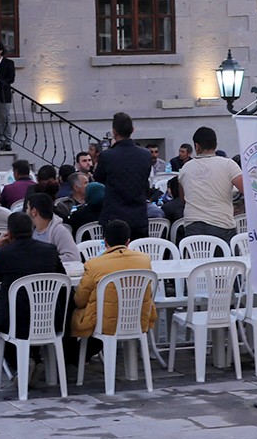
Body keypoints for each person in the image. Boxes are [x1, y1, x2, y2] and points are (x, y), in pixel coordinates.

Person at [0, 211, 67, 362]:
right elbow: (61, 277)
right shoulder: (49, 250)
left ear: (9, 233)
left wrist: (0, 247)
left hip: (15, 320)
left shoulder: (3, 254)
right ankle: (32, 360)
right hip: (49, 317)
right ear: (32, 228)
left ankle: (20, 363)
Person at [68, 219, 159, 367]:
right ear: (128, 241)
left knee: (73, 310)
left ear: (104, 241)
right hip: (138, 318)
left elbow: (80, 300)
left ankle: (70, 357)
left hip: (104, 322)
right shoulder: (145, 261)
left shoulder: (94, 265)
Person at [175, 126, 243, 242]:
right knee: (226, 259)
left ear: (197, 146)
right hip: (222, 226)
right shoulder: (228, 164)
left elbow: (183, 199)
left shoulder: (185, 168)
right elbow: (246, 189)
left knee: (197, 260)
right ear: (216, 145)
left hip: (193, 227)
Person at [91, 112, 152, 240]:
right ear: (133, 130)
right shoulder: (145, 155)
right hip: (138, 215)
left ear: (114, 132)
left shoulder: (107, 156)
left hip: (114, 216)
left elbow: (98, 178)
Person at [25, 193, 79, 268]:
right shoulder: (29, 230)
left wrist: (47, 260)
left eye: (27, 208)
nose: (26, 211)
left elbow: (74, 257)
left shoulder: (59, 231)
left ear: (34, 211)